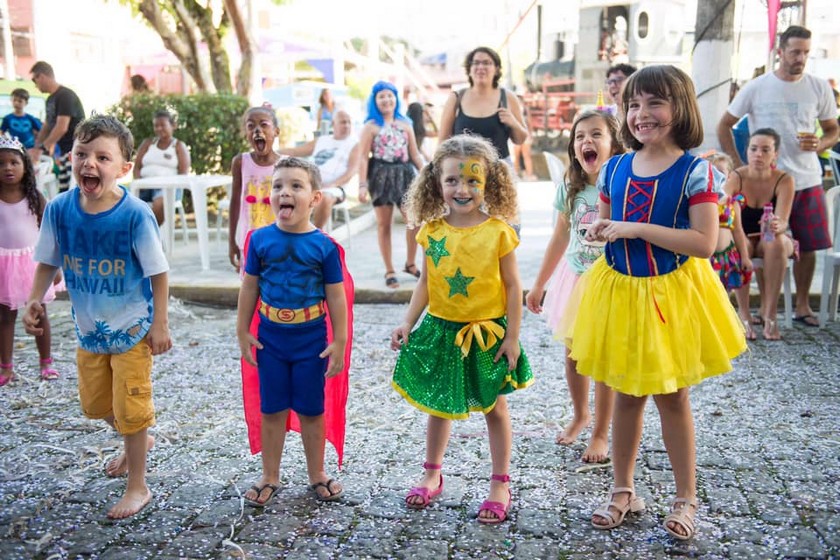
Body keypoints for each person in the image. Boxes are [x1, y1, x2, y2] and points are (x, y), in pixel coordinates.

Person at [566, 65, 746, 540]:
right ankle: (622, 489)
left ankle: (686, 497)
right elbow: (607, 226)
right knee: (626, 392)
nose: (642, 114)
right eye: (633, 105)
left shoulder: (696, 171)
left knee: (672, 395)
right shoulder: (615, 167)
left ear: (680, 107)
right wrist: (599, 229)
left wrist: (633, 228)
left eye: (654, 103)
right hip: (621, 290)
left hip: (670, 292)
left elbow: (705, 243)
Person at [23, 115, 171, 519]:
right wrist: (35, 299)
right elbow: (47, 262)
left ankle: (138, 485)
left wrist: (160, 323)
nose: (90, 163)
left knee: (132, 407)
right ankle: (134, 438)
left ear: (124, 169)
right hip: (90, 332)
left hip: (133, 330)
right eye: (82, 153)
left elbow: (159, 273)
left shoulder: (135, 215)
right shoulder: (59, 210)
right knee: (95, 405)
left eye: (103, 157)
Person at [390, 135, 533, 523]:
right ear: (437, 181)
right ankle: (432, 473)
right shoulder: (431, 231)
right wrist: (407, 320)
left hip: (487, 335)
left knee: (495, 407)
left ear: (490, 183)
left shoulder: (498, 231)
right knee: (439, 403)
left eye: (472, 180)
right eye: (453, 180)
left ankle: (500, 482)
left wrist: (513, 336)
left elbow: (513, 286)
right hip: (442, 330)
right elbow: (426, 282)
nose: (462, 188)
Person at [236, 157, 349, 506]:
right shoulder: (259, 240)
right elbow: (249, 287)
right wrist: (242, 329)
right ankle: (270, 475)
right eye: (278, 185)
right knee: (271, 409)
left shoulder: (324, 246)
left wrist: (340, 340)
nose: (285, 192)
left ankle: (317, 473)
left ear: (315, 198)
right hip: (271, 338)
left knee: (312, 409)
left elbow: (336, 293)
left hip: (310, 340)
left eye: (296, 186)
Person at [717, 25, 839, 327]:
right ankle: (761, 311)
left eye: (806, 53)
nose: (801, 58)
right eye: (795, 51)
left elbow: (834, 130)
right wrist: (737, 164)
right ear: (780, 51)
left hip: (806, 177)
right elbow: (724, 125)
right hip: (763, 182)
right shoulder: (757, 87)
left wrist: (820, 143)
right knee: (763, 238)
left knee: (809, 246)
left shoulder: (819, 87)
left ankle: (801, 307)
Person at [525, 110, 624, 462]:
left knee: (604, 361)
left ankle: (601, 432)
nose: (587, 142)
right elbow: (559, 236)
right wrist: (539, 284)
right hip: (574, 278)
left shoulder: (622, 183)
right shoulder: (571, 186)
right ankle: (581, 414)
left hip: (610, 283)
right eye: (580, 136)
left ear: (614, 144)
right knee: (573, 356)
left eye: (596, 134)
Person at [0, 135, 61, 385]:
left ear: (25, 166)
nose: (7, 168)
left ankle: (46, 362)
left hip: (31, 264)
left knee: (39, 312)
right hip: (3, 264)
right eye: (1, 164)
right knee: (5, 316)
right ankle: (5, 367)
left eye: (14, 162)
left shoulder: (35, 197)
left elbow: (50, 233)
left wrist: (55, 267)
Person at [726, 129, 797, 340]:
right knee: (740, 245)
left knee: (776, 242)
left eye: (766, 150)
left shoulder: (784, 179)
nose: (758, 154)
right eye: (754, 149)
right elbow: (722, 209)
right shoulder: (737, 176)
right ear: (747, 151)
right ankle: (744, 313)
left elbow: (783, 220)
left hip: (773, 238)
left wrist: (777, 224)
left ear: (776, 154)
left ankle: (770, 313)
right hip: (743, 237)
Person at [357, 81, 424, 289]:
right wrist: (361, 184)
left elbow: (414, 154)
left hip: (404, 174)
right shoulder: (370, 126)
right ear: (375, 101)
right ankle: (389, 269)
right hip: (380, 175)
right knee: (384, 224)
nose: (386, 100)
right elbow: (363, 158)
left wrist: (427, 174)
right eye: (381, 96)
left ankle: (411, 263)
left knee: (414, 220)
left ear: (396, 98)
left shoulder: (406, 124)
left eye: (390, 95)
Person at [438, 47, 529, 167]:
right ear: (469, 69)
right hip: (463, 172)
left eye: (486, 63)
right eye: (476, 63)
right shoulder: (456, 98)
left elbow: (520, 140)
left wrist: (512, 122)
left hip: (499, 172)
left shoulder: (508, 97)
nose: (480, 67)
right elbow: (443, 142)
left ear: (496, 69)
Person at [278, 109, 359, 229]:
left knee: (324, 197)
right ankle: (287, 232)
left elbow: (351, 171)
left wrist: (331, 185)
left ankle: (314, 236)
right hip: (309, 183)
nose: (346, 125)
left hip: (335, 188)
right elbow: (295, 151)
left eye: (349, 122)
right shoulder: (322, 140)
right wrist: (272, 153)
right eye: (343, 122)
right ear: (334, 124)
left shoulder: (354, 144)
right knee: (281, 192)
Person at [228, 106, 282, 272]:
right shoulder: (240, 162)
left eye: (264, 124)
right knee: (250, 288)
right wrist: (232, 241)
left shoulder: (285, 164)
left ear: (276, 131)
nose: (257, 130)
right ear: (246, 133)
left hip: (279, 239)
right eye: (251, 126)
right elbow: (235, 202)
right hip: (249, 239)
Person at [706, 153, 755, 338]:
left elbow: (738, 230)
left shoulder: (732, 202)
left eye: (721, 172)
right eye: (713, 172)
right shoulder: (703, 199)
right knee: (709, 294)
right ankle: (710, 328)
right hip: (707, 256)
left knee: (724, 294)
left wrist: (745, 256)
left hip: (727, 255)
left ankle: (729, 327)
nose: (717, 176)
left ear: (729, 175)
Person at [29, 61, 85, 192]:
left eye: (34, 80)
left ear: (41, 76)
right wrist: (36, 147)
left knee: (71, 191)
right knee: (60, 188)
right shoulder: (51, 99)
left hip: (76, 151)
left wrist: (42, 148)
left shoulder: (65, 95)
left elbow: (61, 127)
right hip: (64, 153)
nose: (35, 86)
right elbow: (47, 126)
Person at [132, 110, 191, 226]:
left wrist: (169, 186)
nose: (159, 128)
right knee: (121, 202)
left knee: (160, 203)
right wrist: (139, 183)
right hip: (144, 187)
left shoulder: (178, 146)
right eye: (156, 126)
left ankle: (147, 234)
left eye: (162, 125)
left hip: (168, 188)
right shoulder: (148, 143)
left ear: (173, 126)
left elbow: (183, 174)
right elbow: (137, 168)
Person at [511, 94, 536, 181]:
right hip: (515, 134)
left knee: (526, 155)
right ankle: (515, 175)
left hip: (526, 135)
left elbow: (529, 122)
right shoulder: (512, 109)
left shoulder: (525, 109)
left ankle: (529, 174)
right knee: (516, 156)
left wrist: (531, 135)